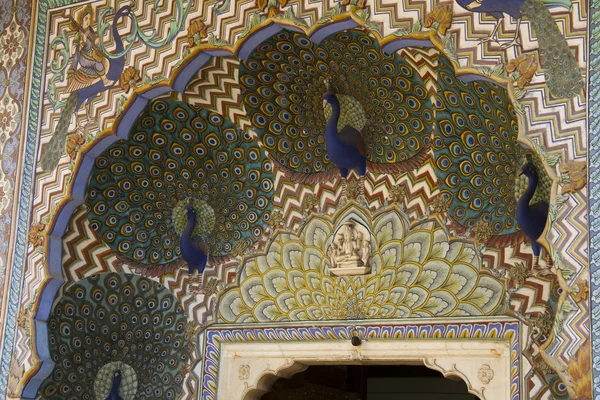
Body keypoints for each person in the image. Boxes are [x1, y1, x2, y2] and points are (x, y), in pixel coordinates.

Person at [65, 5, 112, 94]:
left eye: (89, 19)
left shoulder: (90, 30)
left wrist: (96, 40)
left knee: (103, 60)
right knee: (98, 64)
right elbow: (73, 51)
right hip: (83, 59)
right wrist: (82, 43)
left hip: (91, 54)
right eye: (86, 19)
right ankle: (105, 81)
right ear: (81, 20)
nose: (88, 21)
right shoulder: (79, 34)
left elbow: (95, 40)